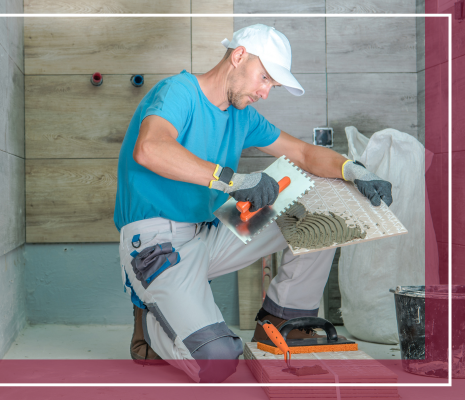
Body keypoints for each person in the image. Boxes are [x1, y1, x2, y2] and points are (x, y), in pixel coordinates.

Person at [113, 24, 393, 383]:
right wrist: (236, 181)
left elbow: (304, 153)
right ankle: (149, 326)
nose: (265, 92)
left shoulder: (241, 114)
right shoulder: (178, 92)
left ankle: (281, 320)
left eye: (271, 86)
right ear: (238, 56)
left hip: (207, 234)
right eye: (265, 78)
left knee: (317, 198)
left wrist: (351, 170)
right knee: (218, 361)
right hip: (155, 245)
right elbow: (150, 148)